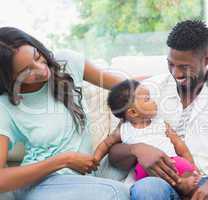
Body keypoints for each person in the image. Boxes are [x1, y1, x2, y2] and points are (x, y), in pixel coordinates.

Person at [108, 20, 208, 200]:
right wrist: (137, 149)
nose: (176, 74)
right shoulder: (147, 92)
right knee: (147, 191)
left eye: (185, 66)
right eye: (171, 64)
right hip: (158, 179)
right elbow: (113, 153)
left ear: (206, 59)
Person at [0, 27, 129, 200]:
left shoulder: (66, 62)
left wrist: (167, 79)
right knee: (115, 193)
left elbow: (125, 86)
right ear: (9, 77)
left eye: (37, 57)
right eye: (26, 72)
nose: (40, 69)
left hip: (85, 179)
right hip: (41, 185)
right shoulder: (5, 106)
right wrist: (63, 160)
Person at [94, 79, 202, 198]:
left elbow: (179, 144)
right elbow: (106, 144)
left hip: (172, 161)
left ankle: (184, 189)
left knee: (189, 175)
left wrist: (191, 164)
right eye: (147, 99)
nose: (154, 102)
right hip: (146, 170)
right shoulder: (124, 130)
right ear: (133, 112)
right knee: (152, 175)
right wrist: (95, 159)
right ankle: (180, 186)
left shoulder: (160, 124)